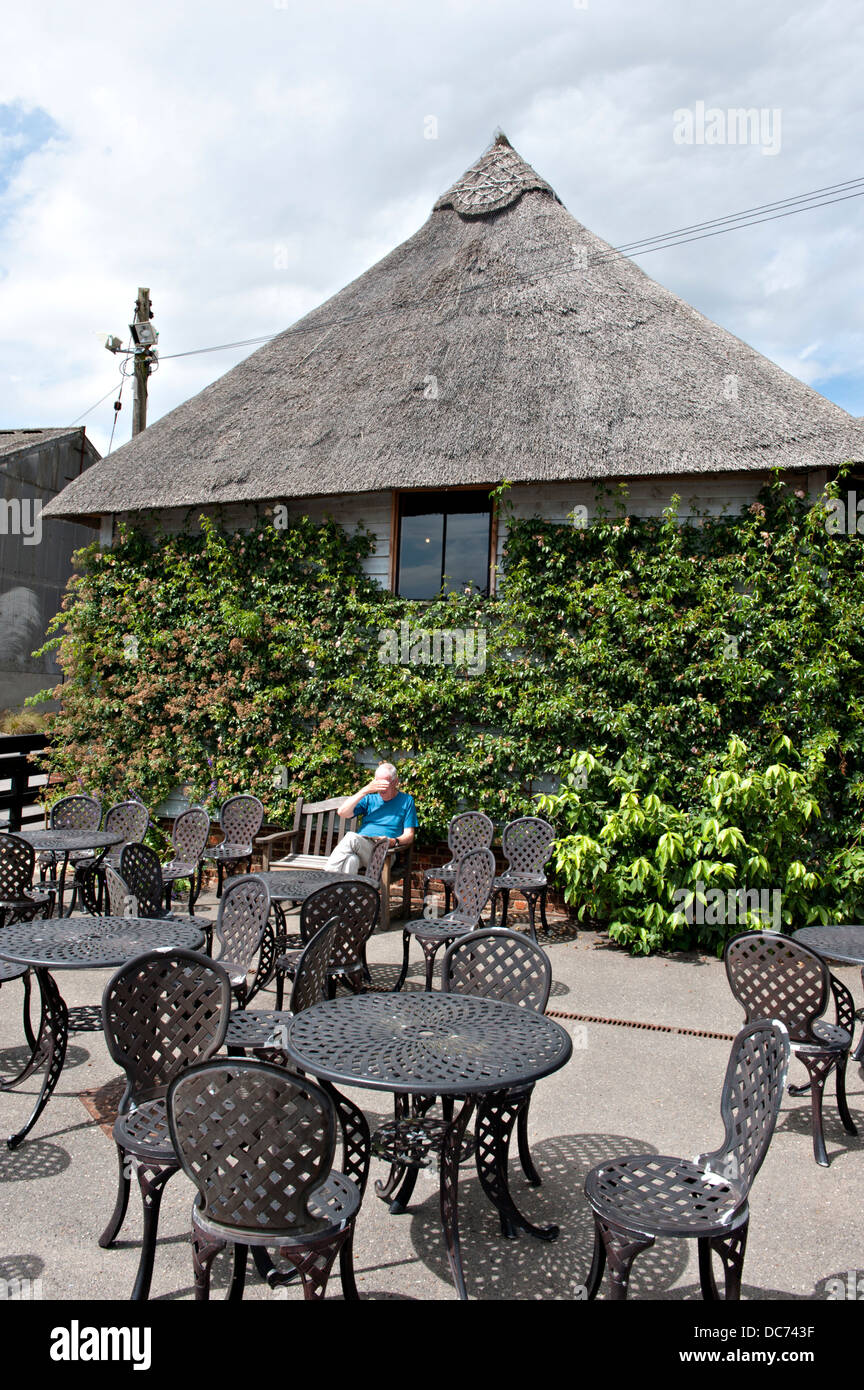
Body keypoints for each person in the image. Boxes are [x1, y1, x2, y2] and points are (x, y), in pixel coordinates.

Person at [324, 763, 418, 874]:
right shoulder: (369, 799)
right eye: (378, 783)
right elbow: (342, 812)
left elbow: (409, 835)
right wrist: (365, 790)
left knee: (351, 838)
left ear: (396, 782)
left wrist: (394, 841)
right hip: (363, 848)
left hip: (385, 853)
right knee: (351, 860)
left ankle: (326, 878)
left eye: (385, 783)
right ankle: (350, 891)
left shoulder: (406, 801)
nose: (381, 788)